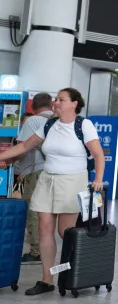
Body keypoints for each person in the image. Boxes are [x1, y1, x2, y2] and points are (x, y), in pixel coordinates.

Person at [0, 88, 105, 296]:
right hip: (47, 179)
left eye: (61, 99)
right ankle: (47, 279)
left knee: (64, 233)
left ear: (74, 103)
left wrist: (99, 180)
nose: (56, 102)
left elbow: (98, 154)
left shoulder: (83, 125)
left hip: (72, 180)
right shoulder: (49, 124)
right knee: (44, 228)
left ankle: (72, 271)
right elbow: (25, 147)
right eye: (56, 99)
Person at [12, 93, 53, 264]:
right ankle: (48, 249)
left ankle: (36, 251)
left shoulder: (33, 121)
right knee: (50, 214)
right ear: (51, 105)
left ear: (33, 107)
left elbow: (23, 148)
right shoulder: (59, 120)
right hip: (57, 173)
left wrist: (12, 163)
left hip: (36, 172)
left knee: (35, 212)